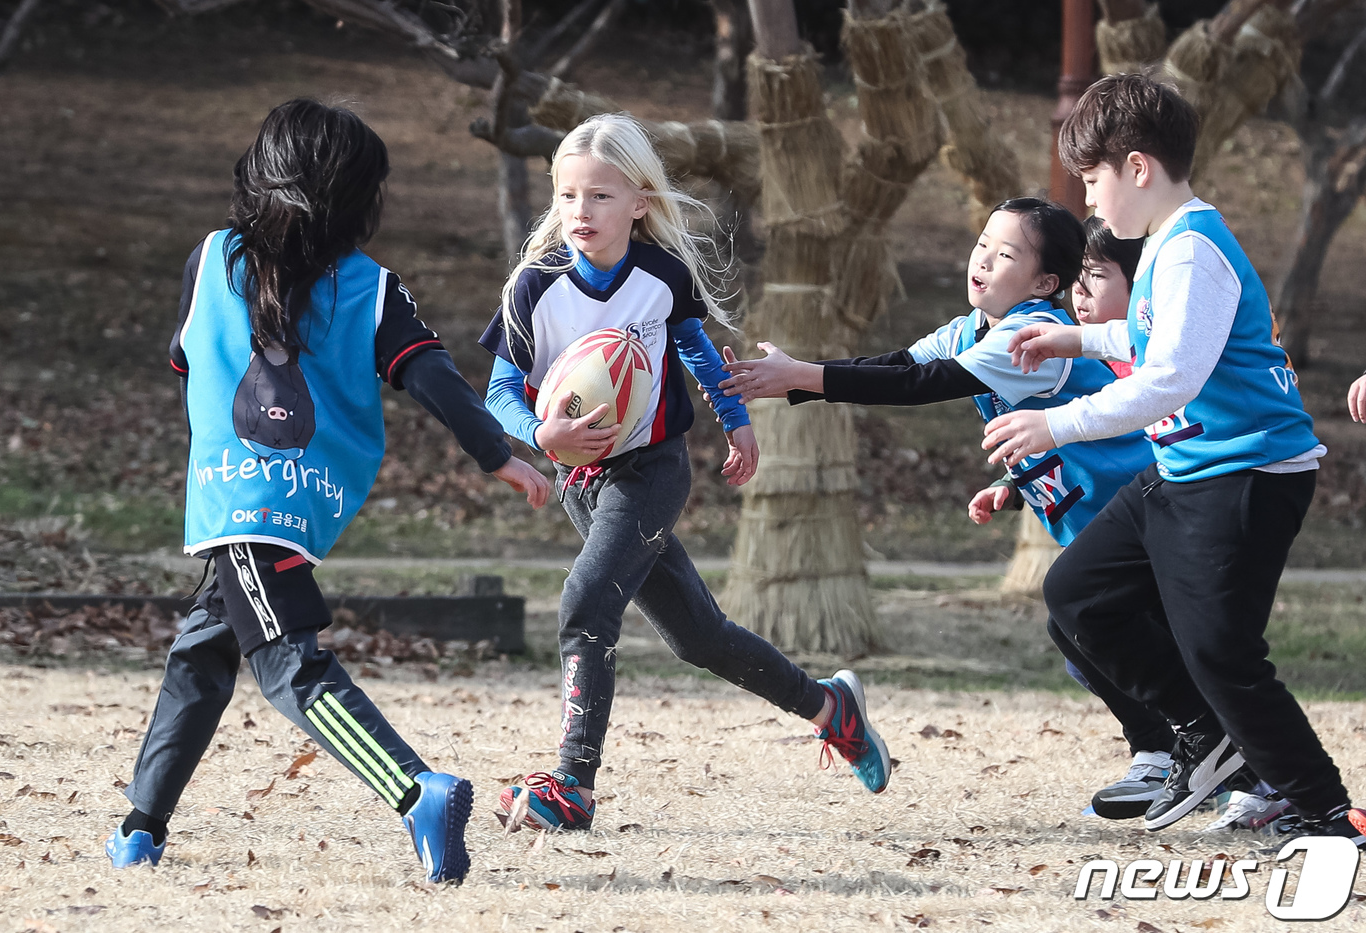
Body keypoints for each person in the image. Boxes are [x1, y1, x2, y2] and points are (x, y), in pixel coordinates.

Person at [105, 100, 551, 883]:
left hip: (237, 503)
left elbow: (184, 359)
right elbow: (430, 374)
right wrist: (495, 454)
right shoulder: (372, 288)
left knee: (289, 663)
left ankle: (417, 790)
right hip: (297, 505)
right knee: (201, 658)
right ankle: (141, 827)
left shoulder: (212, 258)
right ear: (354, 201)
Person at [479, 113, 890, 832]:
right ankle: (833, 709)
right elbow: (499, 393)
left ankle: (573, 782)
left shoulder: (661, 277)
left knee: (584, 604)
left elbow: (697, 350)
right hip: (583, 482)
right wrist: (540, 431)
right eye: (569, 196)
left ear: (640, 202)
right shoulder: (535, 288)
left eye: (601, 197)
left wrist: (736, 420)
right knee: (699, 636)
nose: (582, 212)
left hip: (651, 473)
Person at [719, 197, 1191, 820]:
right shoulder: (970, 329)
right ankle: (1178, 752)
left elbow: (924, 387)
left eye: (1007, 254)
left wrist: (801, 376)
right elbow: (898, 364)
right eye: (982, 245)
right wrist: (1016, 485)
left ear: (1046, 283)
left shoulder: (1029, 336)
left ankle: (1193, 755)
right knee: (1089, 631)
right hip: (1102, 523)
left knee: (1125, 634)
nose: (984, 260)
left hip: (1152, 515)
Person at [984, 73, 1364, 843]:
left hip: (1248, 473)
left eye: (1092, 180)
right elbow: (1158, 344)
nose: (1089, 201)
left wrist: (1057, 425)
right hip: (1188, 471)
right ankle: (1209, 738)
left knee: (1221, 650)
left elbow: (1169, 379)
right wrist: (1077, 337)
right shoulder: (1167, 244)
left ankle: (1325, 809)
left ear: (1136, 168)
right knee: (1080, 594)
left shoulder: (1191, 249)